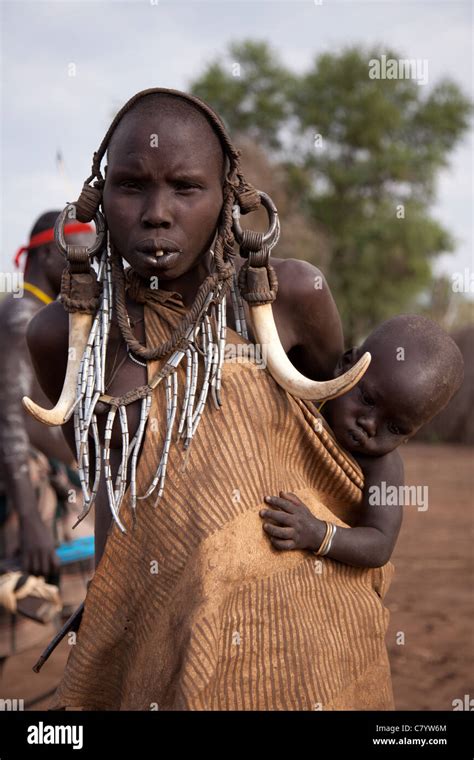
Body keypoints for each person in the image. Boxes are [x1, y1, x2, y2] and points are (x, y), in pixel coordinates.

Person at [27, 88, 396, 711]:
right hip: (156, 631)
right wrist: (107, 596)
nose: (156, 213)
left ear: (228, 197)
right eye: (131, 186)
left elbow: (365, 434)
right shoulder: (63, 337)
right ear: (96, 198)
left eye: (186, 187)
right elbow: (114, 493)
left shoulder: (293, 299)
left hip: (308, 639)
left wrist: (371, 537)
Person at [260, 315, 464, 567]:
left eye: (395, 427)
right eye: (367, 400)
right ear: (347, 365)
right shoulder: (302, 400)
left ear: (410, 436)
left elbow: (379, 543)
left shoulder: (384, 467)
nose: (369, 424)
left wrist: (318, 533)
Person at [0, 212, 94, 578]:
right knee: (35, 620)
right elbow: (9, 423)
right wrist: (30, 523)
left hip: (49, 486)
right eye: (79, 257)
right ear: (45, 256)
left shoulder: (40, 312)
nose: (87, 270)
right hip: (28, 494)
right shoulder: (21, 317)